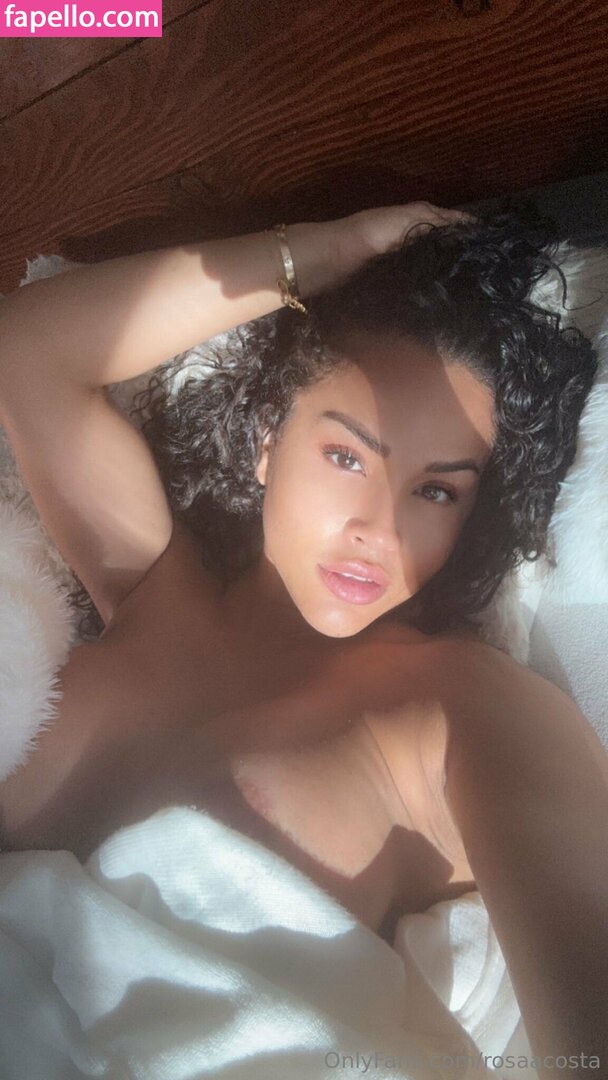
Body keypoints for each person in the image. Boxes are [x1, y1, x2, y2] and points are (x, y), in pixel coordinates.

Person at [0, 203, 606, 1074]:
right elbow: (29, 347)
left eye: (436, 491)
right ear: (265, 443)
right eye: (347, 456)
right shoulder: (151, 587)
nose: (379, 530)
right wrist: (331, 248)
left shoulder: (461, 705)